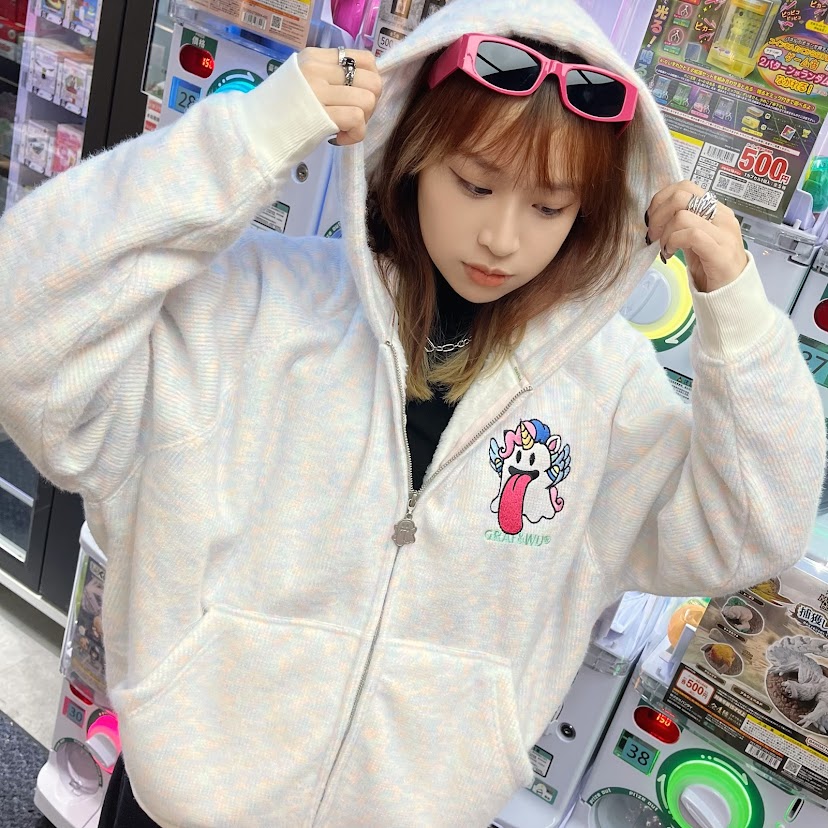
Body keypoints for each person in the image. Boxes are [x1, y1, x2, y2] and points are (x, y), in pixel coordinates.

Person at [0, 0, 824, 825]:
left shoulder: (606, 390)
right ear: (414, 154)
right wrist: (247, 137)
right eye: (474, 183)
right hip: (183, 800)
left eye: (550, 206)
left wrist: (738, 307)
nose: (502, 237)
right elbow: (23, 328)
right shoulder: (251, 305)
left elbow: (752, 530)